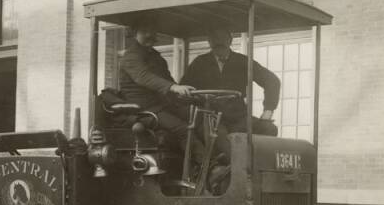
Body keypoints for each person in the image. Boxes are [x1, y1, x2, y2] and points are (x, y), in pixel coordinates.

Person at [180, 26, 280, 162]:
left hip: (238, 117)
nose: (218, 42)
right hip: (210, 117)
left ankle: (259, 170)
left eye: (222, 38)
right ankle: (232, 171)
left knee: (269, 128)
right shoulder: (200, 63)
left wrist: (268, 110)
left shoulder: (243, 61)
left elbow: (272, 81)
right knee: (219, 137)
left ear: (230, 40)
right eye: (214, 39)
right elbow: (184, 90)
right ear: (209, 41)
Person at [118, 20, 206, 163]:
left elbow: (168, 81)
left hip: (162, 105)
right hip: (144, 109)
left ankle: (214, 157)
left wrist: (191, 95)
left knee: (200, 115)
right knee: (183, 129)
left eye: (152, 31)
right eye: (144, 31)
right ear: (134, 33)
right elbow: (143, 77)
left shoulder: (156, 57)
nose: (149, 35)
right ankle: (205, 167)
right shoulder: (131, 56)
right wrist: (173, 87)